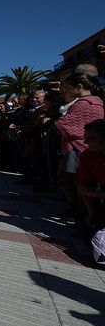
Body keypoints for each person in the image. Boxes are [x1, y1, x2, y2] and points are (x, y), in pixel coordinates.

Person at [55, 72, 104, 217]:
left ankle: (79, 209)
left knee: (70, 178)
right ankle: (79, 208)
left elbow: (66, 124)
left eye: (68, 88)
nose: (67, 91)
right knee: (69, 178)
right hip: (82, 145)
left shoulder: (86, 103)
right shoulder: (96, 102)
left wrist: (58, 123)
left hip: (77, 146)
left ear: (79, 87)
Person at [77, 119, 105, 230]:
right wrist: (91, 212)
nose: (85, 142)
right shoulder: (87, 156)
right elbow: (83, 187)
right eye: (85, 137)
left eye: (91, 138)